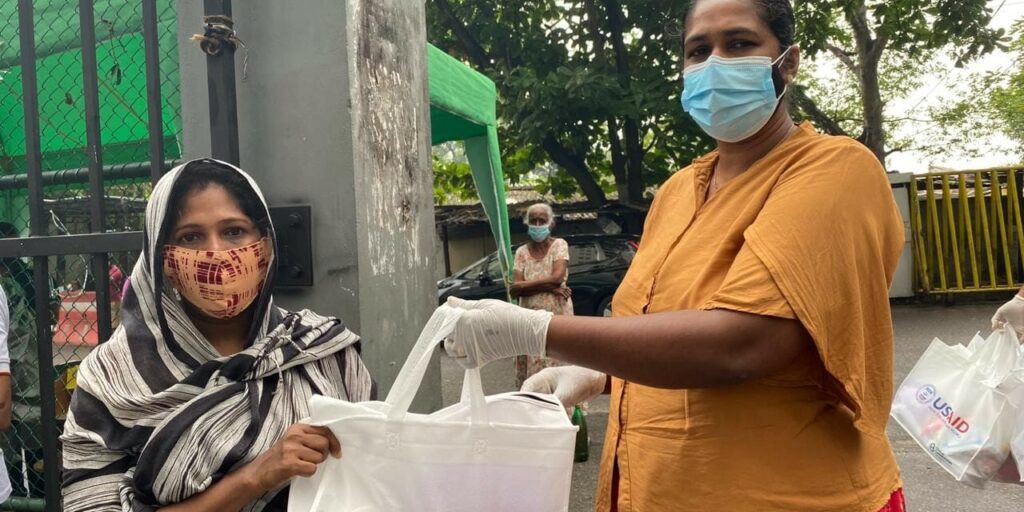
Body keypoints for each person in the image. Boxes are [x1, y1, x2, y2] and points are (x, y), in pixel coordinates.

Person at [443, 1, 908, 510]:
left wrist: (535, 331)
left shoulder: (835, 171)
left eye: (739, 44)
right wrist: (598, 376)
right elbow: (659, 326)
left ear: (788, 62)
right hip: (654, 492)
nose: (714, 64)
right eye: (698, 50)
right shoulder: (677, 191)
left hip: (789, 495)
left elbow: (747, 342)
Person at [61, 159, 375, 511]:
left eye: (234, 231)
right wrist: (255, 477)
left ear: (266, 246)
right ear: (162, 259)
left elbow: (370, 478)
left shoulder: (324, 351)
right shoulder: (110, 378)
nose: (216, 254)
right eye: (190, 237)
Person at [0, 223, 43, 499]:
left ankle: (36, 495)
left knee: (31, 435)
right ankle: (20, 495)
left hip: (26, 367)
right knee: (14, 441)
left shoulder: (23, 277)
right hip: (20, 367)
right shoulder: (19, 277)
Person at [510, 203, 573, 387]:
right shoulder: (521, 252)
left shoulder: (559, 245)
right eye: (533, 221)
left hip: (557, 316)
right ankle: (534, 409)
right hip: (529, 318)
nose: (537, 224)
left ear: (551, 223)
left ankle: (561, 410)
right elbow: (514, 290)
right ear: (527, 223)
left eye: (542, 220)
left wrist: (524, 285)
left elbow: (557, 276)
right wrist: (551, 288)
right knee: (533, 366)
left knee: (558, 361)